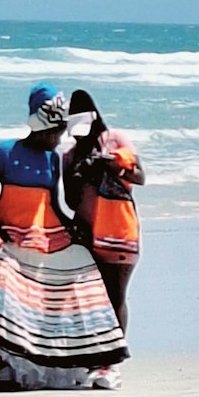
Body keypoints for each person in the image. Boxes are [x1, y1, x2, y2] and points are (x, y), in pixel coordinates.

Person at [0, 84, 128, 390]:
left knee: (83, 267)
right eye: (55, 132)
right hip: (11, 232)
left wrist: (74, 230)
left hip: (48, 232)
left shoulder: (52, 159)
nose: (58, 138)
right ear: (41, 128)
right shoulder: (3, 152)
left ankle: (94, 360)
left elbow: (53, 204)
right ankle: (5, 362)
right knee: (1, 270)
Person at [62, 88, 144, 337]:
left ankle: (113, 356)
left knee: (115, 295)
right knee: (83, 299)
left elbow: (139, 177)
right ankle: (91, 351)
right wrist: (80, 175)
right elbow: (70, 201)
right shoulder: (70, 156)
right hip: (85, 235)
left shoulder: (115, 140)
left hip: (118, 234)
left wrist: (113, 165)